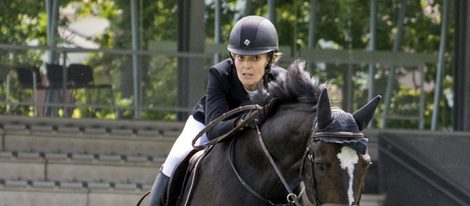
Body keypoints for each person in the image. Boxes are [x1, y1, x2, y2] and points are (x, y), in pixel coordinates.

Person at [148, 15, 285, 206]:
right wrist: (241, 122)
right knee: (177, 158)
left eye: (255, 58)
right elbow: (214, 129)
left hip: (253, 132)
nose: (246, 65)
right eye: (240, 57)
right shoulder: (219, 74)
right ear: (232, 57)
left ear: (269, 59)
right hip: (206, 123)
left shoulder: (282, 82)